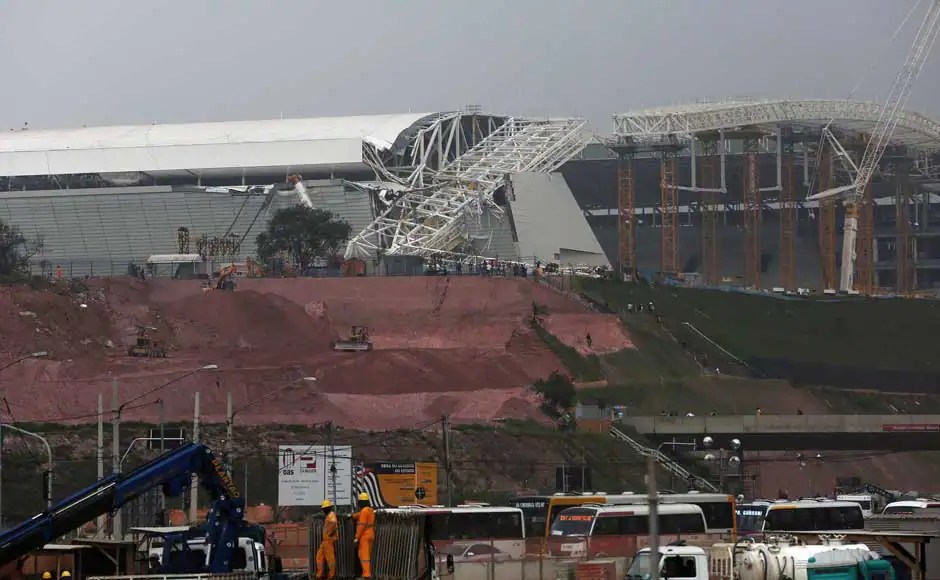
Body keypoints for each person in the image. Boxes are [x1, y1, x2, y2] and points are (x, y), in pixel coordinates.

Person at [354, 492, 376, 578]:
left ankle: (366, 574)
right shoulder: (370, 510)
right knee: (368, 555)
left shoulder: (363, 511)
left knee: (364, 556)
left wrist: (356, 537)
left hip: (365, 536)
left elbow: (361, 526)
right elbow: (360, 514)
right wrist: (353, 516)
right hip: (371, 534)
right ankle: (367, 573)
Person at [315, 499, 338, 580]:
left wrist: (329, 532)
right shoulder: (329, 516)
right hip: (325, 541)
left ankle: (331, 576)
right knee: (319, 557)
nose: (323, 510)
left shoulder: (331, 515)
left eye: (324, 509)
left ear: (327, 508)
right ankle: (319, 575)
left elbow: (334, 522)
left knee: (330, 559)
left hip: (329, 541)